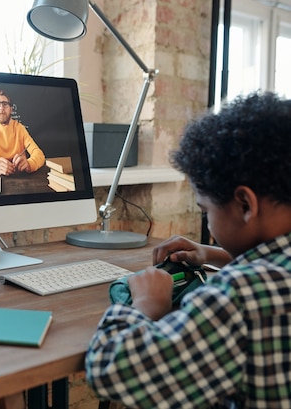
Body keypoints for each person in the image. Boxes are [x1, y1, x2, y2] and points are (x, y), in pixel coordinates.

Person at [85, 91, 291, 408]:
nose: (208, 226)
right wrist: (212, 253)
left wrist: (146, 305)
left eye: (205, 210)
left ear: (245, 204)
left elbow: (109, 372)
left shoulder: (239, 296)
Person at [0, 89, 45, 176]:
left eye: (5, 104)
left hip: (21, 175)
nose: (1, 108)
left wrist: (29, 164)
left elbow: (39, 155)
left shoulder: (20, 128)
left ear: (11, 109)